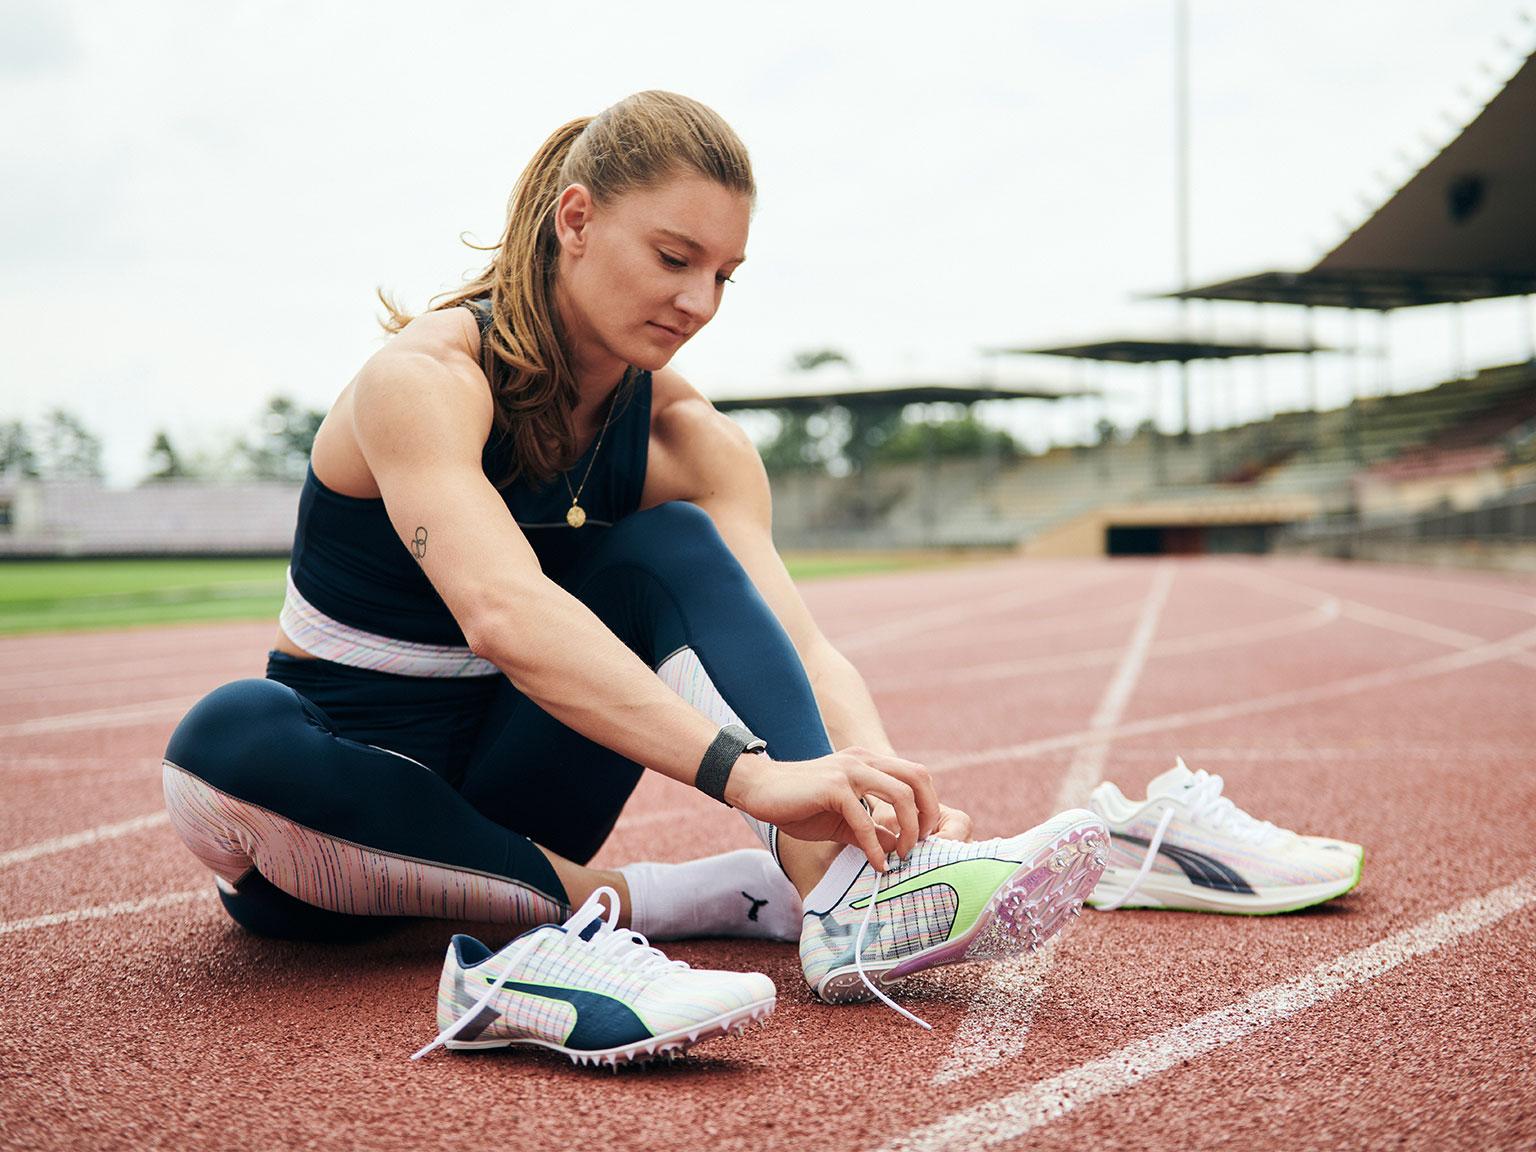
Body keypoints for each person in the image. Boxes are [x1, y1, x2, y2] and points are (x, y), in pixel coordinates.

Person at [161, 91, 1108, 1061]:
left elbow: (801, 644)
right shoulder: (425, 380)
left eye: (724, 275)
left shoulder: (686, 440)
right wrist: (752, 778)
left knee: (675, 545)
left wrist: (872, 800)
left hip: (522, 800)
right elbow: (500, 610)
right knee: (227, 736)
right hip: (334, 831)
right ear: (576, 219)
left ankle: (849, 899)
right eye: (672, 258)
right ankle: (671, 899)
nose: (698, 302)